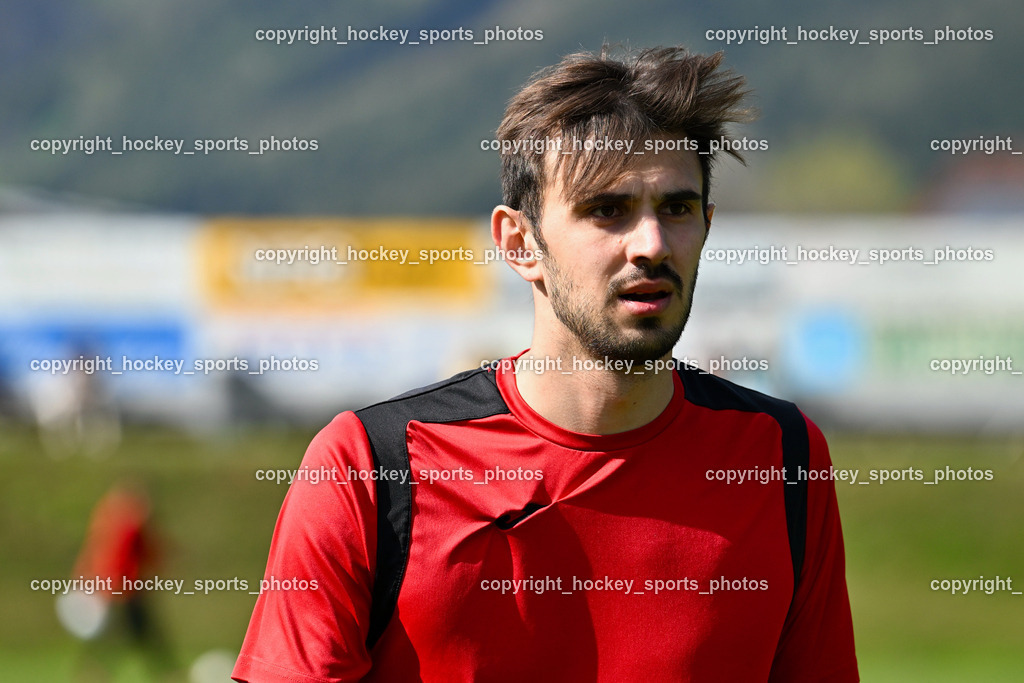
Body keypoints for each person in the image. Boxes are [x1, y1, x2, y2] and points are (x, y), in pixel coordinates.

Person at [232, 45, 858, 682]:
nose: (652, 244)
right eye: (606, 210)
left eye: (677, 208)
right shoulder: (366, 465)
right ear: (520, 243)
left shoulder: (781, 457)